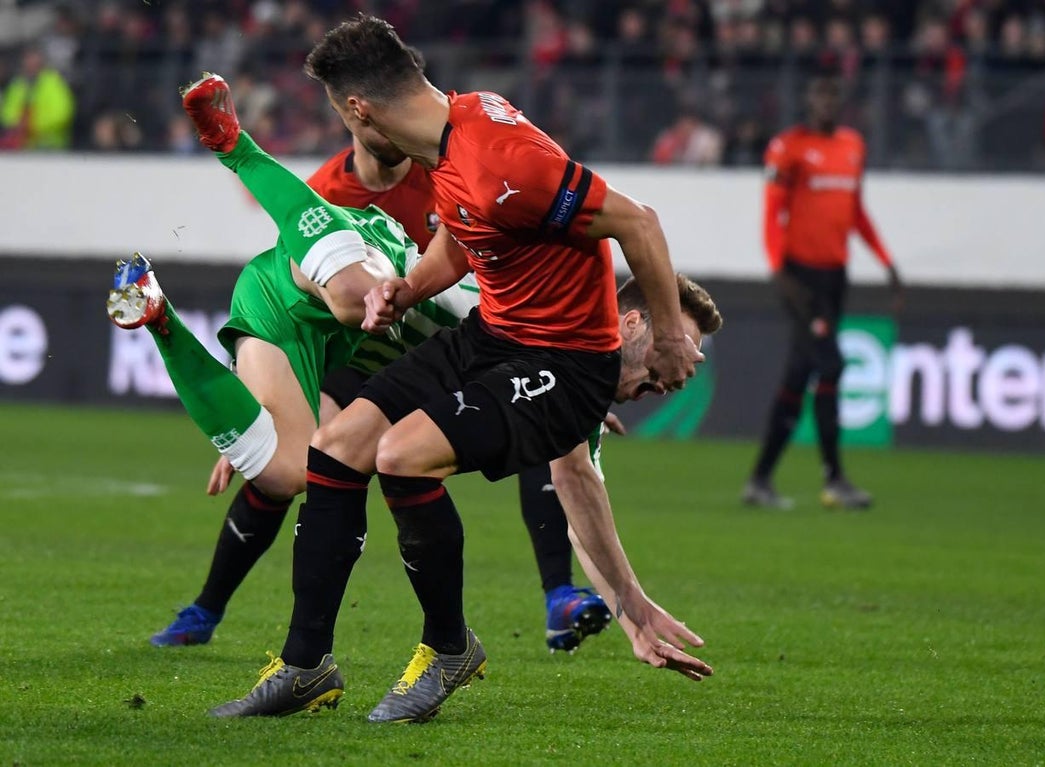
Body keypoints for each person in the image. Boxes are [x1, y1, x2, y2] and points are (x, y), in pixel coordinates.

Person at [208, 14, 714, 722]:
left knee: (401, 455)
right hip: (492, 332)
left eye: (342, 117)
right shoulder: (454, 132)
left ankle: (448, 647)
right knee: (336, 447)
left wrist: (664, 335)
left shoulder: (503, 158)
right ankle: (304, 665)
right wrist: (405, 288)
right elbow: (462, 237)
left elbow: (640, 223)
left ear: (359, 110)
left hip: (563, 362)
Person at [147, 125, 614, 655]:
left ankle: (557, 594)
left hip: (416, 343)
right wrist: (270, 401)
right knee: (345, 334)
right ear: (355, 115)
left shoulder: (444, 172)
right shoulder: (334, 188)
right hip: (359, 333)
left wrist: (248, 421)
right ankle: (210, 606)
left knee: (283, 468)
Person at [743, 71, 903, 511]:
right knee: (829, 365)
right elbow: (772, 211)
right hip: (801, 279)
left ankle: (759, 480)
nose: (825, 104)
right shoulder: (789, 148)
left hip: (836, 276)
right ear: (809, 101)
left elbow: (855, 213)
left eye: (832, 96)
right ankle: (834, 479)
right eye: (819, 95)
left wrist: (885, 261)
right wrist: (779, 271)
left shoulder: (852, 147)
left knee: (800, 375)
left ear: (841, 103)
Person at [0, 46, 75, 150]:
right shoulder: (17, 84)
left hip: (51, 146)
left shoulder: (53, 82)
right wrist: (18, 123)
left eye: (34, 58)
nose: (31, 63)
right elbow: (6, 112)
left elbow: (62, 113)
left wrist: (33, 124)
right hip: (21, 146)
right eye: (28, 59)